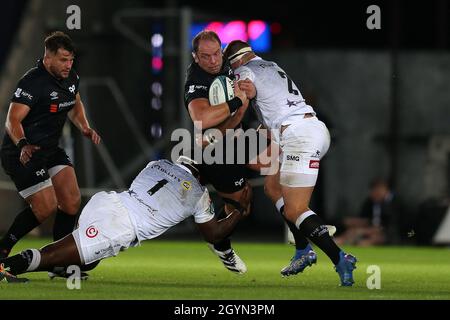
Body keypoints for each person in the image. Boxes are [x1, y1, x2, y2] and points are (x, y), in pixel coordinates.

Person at [223, 40, 357, 286]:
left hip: (299, 136)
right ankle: (303, 251)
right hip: (308, 129)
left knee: (296, 210)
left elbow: (247, 92)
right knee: (272, 188)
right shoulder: (271, 65)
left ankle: (340, 258)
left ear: (236, 61)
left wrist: (230, 121)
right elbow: (271, 122)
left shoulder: (243, 71)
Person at [0, 156, 252, 283]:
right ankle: (6, 267)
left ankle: (62, 265)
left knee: (85, 264)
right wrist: (239, 209)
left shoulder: (157, 164)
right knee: (53, 254)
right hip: (122, 225)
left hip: (107, 202)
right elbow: (214, 235)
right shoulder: (199, 194)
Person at [0, 31, 100, 279]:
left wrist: (84, 126)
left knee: (71, 200)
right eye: (64, 60)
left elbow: (74, 102)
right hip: (22, 151)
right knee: (44, 207)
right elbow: (12, 120)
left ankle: (59, 262)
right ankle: (2, 252)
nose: (69, 65)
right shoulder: (33, 82)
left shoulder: (71, 77)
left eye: (71, 60)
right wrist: (23, 143)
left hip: (50, 149)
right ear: (48, 58)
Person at [183, 30, 251, 274]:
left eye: (216, 55)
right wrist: (237, 103)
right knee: (241, 206)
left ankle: (299, 225)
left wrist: (251, 88)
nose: (213, 61)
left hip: (237, 138)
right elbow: (202, 118)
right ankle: (221, 245)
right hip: (217, 148)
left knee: (281, 162)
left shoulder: (227, 64)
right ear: (195, 57)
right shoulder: (195, 81)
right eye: (205, 56)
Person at [336, 178, 402, 246]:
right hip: (371, 231)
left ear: (385, 190)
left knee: (364, 242)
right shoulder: (370, 202)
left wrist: (363, 231)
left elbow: (388, 227)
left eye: (378, 191)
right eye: (373, 191)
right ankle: (336, 242)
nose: (374, 194)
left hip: (388, 236)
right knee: (351, 233)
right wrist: (354, 222)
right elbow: (367, 219)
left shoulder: (395, 203)